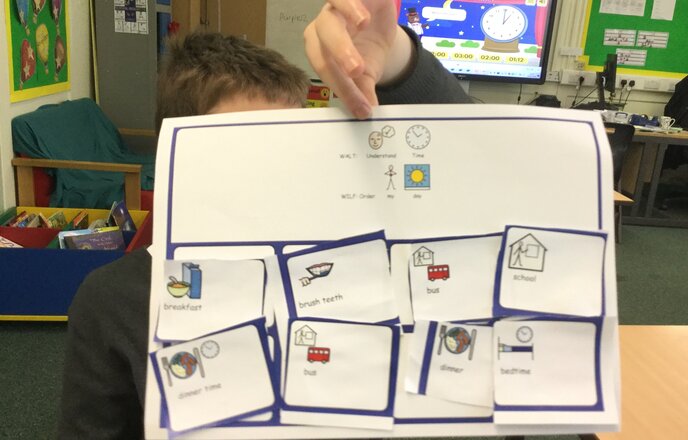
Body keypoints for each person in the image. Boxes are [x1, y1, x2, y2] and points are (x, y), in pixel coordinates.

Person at [56, 1, 471, 438]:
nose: (272, 175)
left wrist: (400, 63)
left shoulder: (342, 266)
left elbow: (479, 171)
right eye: (244, 153)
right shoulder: (116, 299)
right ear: (180, 160)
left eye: (287, 147)